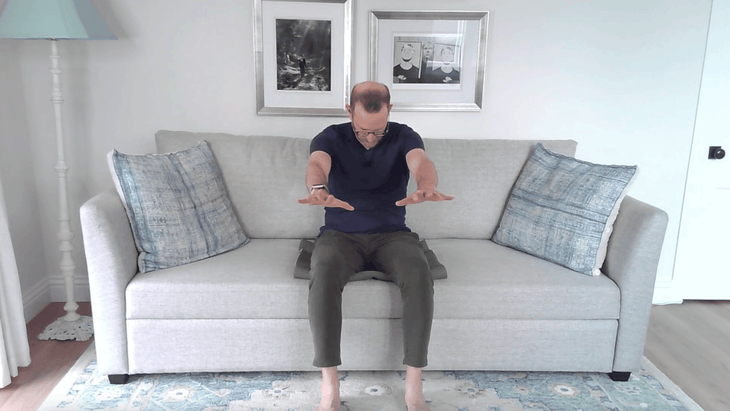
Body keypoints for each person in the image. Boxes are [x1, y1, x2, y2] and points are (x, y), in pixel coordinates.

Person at [297, 81, 453, 411]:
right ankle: (330, 387)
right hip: (340, 235)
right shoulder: (330, 136)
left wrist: (427, 185)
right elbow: (317, 164)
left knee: (417, 270)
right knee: (322, 270)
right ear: (348, 110)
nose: (370, 138)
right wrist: (318, 188)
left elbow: (420, 161)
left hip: (392, 235)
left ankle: (413, 386)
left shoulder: (404, 135)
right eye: (362, 130)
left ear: (390, 112)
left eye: (377, 131)